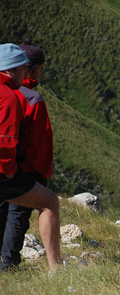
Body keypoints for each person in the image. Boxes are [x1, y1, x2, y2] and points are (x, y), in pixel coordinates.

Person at [0, 43, 62, 273]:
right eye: (22, 69)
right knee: (46, 204)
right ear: (11, 70)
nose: (27, 73)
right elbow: (12, 140)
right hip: (13, 169)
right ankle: (53, 269)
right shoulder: (17, 98)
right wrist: (12, 170)